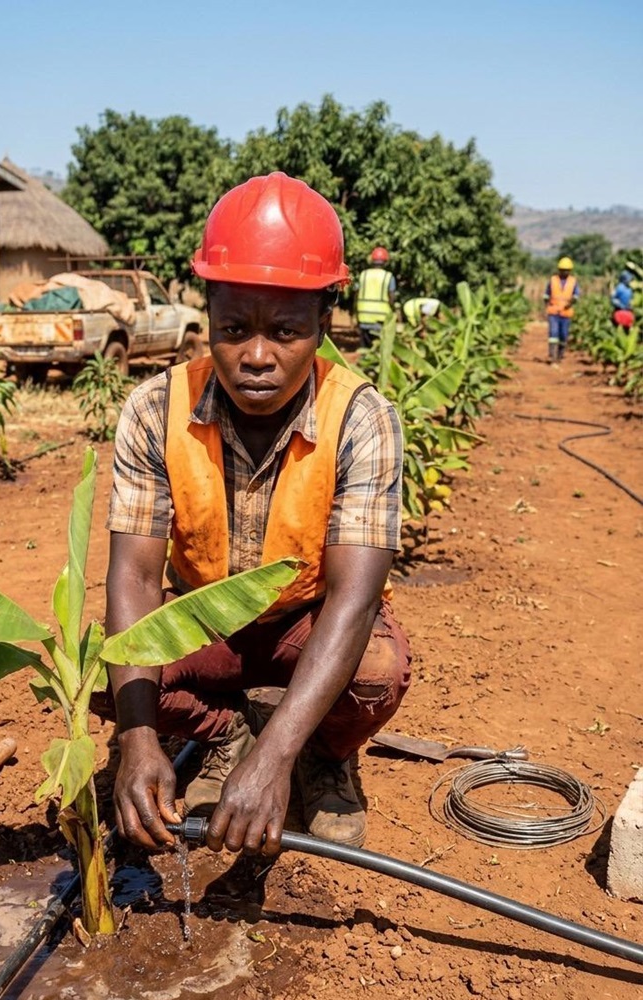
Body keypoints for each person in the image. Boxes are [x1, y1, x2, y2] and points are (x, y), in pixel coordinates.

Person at [101, 172, 412, 859]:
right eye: (234, 329)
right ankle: (221, 735)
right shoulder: (155, 410)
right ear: (206, 314)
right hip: (205, 618)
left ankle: (322, 756)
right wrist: (139, 737)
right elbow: (133, 581)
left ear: (323, 324)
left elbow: (355, 602)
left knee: (375, 671)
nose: (258, 357)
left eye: (287, 331)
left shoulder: (362, 418)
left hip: (309, 622)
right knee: (107, 678)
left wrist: (275, 760)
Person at [355, 246, 396, 347]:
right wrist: (393, 310)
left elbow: (356, 295)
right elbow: (391, 298)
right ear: (385, 261)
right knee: (378, 351)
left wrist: (355, 312)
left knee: (364, 350)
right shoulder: (388, 277)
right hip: (380, 319)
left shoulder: (363, 275)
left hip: (363, 317)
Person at [544, 257, 579, 362]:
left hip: (566, 313)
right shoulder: (553, 280)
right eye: (563, 270)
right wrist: (547, 305)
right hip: (553, 312)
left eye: (567, 270)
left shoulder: (573, 281)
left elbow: (576, 296)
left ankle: (560, 354)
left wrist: (570, 303)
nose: (565, 272)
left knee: (563, 335)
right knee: (553, 333)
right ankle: (552, 355)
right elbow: (546, 295)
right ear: (559, 270)